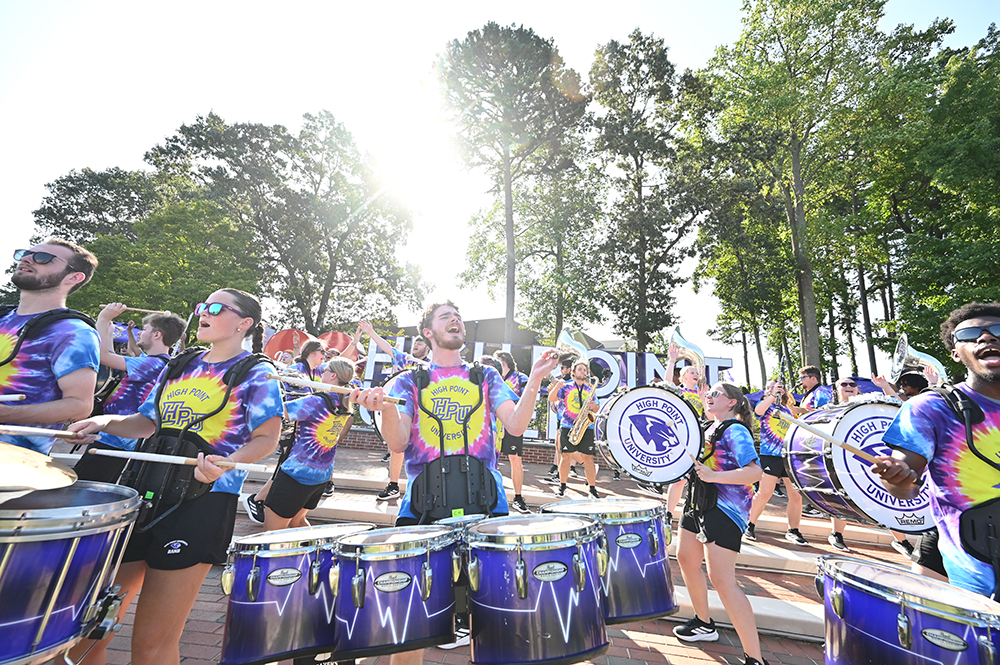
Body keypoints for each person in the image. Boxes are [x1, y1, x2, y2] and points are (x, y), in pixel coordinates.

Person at [68, 288, 282, 665]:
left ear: (244, 323)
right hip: (141, 493)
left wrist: (229, 461)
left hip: (201, 502)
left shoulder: (256, 372)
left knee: (151, 644)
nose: (204, 312)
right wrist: (102, 422)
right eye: (202, 305)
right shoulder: (180, 363)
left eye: (216, 308)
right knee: (89, 631)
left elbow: (266, 437)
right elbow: (147, 422)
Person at [352, 301, 558, 661]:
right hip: (423, 499)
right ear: (428, 333)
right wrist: (384, 408)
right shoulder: (408, 380)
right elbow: (398, 442)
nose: (455, 320)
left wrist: (536, 378)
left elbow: (516, 425)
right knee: (414, 615)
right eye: (445, 317)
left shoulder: (485, 376)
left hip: (486, 497)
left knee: (494, 612)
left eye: (457, 315)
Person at [873, 302, 1000, 597]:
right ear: (956, 353)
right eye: (969, 334)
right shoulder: (933, 407)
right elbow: (904, 484)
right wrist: (897, 478)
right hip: (978, 591)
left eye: (997, 330)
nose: (986, 338)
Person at [673, 382, 768, 665]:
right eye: (708, 393)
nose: (709, 397)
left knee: (722, 580)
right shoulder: (704, 428)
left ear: (732, 403)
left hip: (727, 508)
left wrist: (713, 476)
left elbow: (754, 472)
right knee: (686, 559)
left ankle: (755, 658)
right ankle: (704, 623)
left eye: (715, 394)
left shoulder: (735, 430)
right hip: (698, 500)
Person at [0, 240, 100, 454]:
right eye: (25, 254)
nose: (27, 259)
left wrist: (4, 414)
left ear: (73, 277)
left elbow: (80, 406)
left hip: (12, 462)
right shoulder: (2, 319)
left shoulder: (74, 332)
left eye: (43, 258)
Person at [74, 303, 186, 483]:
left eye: (145, 329)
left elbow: (102, 357)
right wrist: (108, 331)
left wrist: (104, 318)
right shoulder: (151, 361)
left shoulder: (152, 365)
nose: (140, 332)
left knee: (83, 490)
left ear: (157, 335)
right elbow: (110, 354)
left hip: (116, 439)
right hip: (116, 435)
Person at [263, 358, 356, 530]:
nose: (322, 372)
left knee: (272, 533)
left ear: (333, 375)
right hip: (321, 474)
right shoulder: (345, 403)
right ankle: (313, 555)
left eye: (325, 370)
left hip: (296, 474)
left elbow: (276, 410)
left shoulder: (316, 402)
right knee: (297, 522)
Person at [244, 338, 329, 519]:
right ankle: (258, 500)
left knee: (285, 465)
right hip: (288, 427)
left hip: (296, 428)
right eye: (322, 352)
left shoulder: (311, 371)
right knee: (285, 466)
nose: (325, 356)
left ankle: (260, 500)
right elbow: (287, 399)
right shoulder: (296, 370)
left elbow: (339, 368)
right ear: (311, 352)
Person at [357, 320, 432, 500]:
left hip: (425, 414)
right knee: (395, 448)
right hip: (404, 411)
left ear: (428, 349)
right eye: (415, 343)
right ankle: (393, 485)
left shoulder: (432, 365)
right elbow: (387, 348)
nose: (416, 346)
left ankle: (428, 487)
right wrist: (371, 333)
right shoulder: (405, 360)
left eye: (420, 344)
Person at [744, 380, 808, 545]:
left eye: (779, 387)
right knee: (765, 492)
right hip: (770, 455)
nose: (775, 389)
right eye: (770, 387)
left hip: (788, 455)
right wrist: (772, 396)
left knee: (795, 495)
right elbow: (758, 411)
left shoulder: (787, 409)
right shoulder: (765, 406)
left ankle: (793, 530)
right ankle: (748, 524)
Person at [548, 359, 601, 499]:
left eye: (585, 370)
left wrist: (593, 406)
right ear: (573, 372)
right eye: (580, 369)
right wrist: (557, 387)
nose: (583, 372)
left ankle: (592, 489)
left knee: (588, 458)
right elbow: (551, 398)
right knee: (566, 457)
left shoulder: (590, 389)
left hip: (586, 426)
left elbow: (597, 408)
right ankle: (562, 486)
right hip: (568, 425)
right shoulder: (565, 387)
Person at [495, 350, 531, 513]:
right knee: (489, 459)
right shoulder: (491, 377)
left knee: (515, 459)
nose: (498, 366)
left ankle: (518, 497)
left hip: (511, 422)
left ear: (507, 362)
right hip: (493, 424)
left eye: (500, 362)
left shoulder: (519, 378)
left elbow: (528, 398)